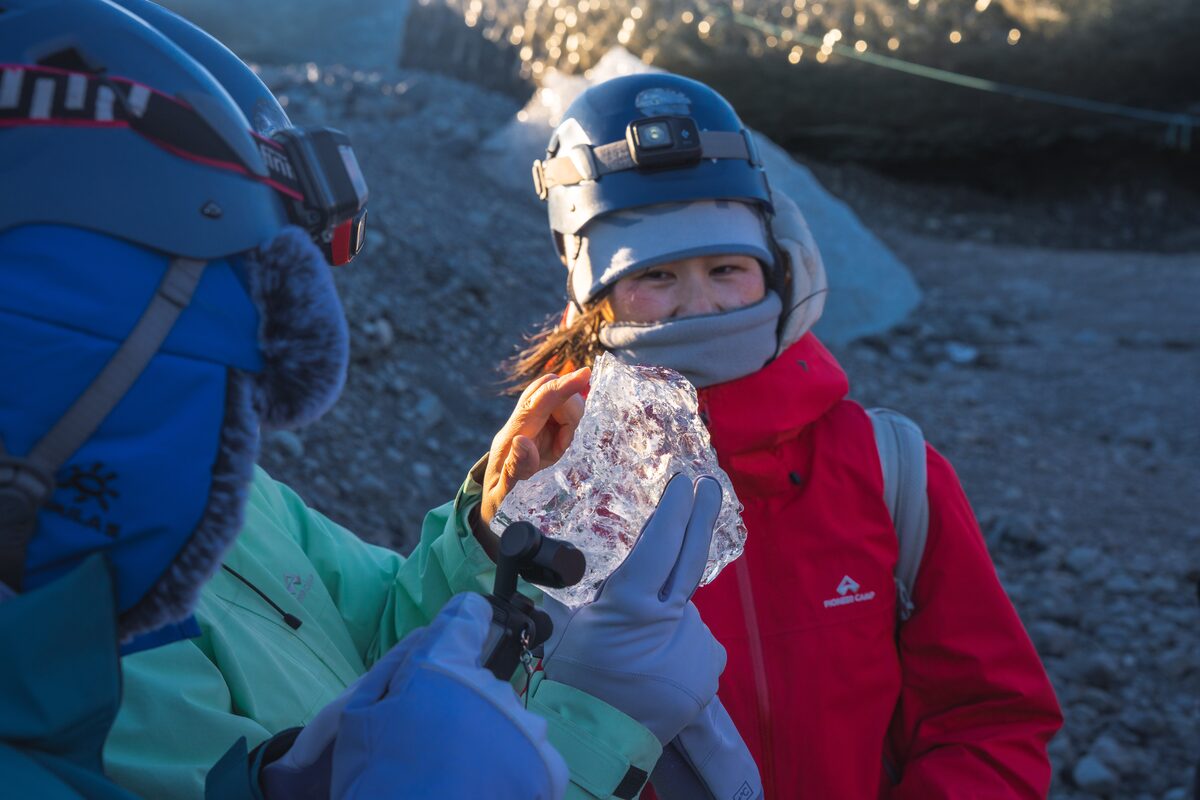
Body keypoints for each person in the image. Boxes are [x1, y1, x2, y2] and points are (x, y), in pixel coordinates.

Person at [1, 3, 738, 798]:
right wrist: (584, 727)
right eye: (228, 310)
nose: (253, 375)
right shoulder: (53, 646)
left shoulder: (222, 495)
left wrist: (491, 529)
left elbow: (384, 631)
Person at [505, 72, 1065, 798]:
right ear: (593, 299)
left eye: (727, 268)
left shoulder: (891, 470)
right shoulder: (548, 484)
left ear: (779, 266)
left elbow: (991, 718)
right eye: (657, 276)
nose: (699, 303)